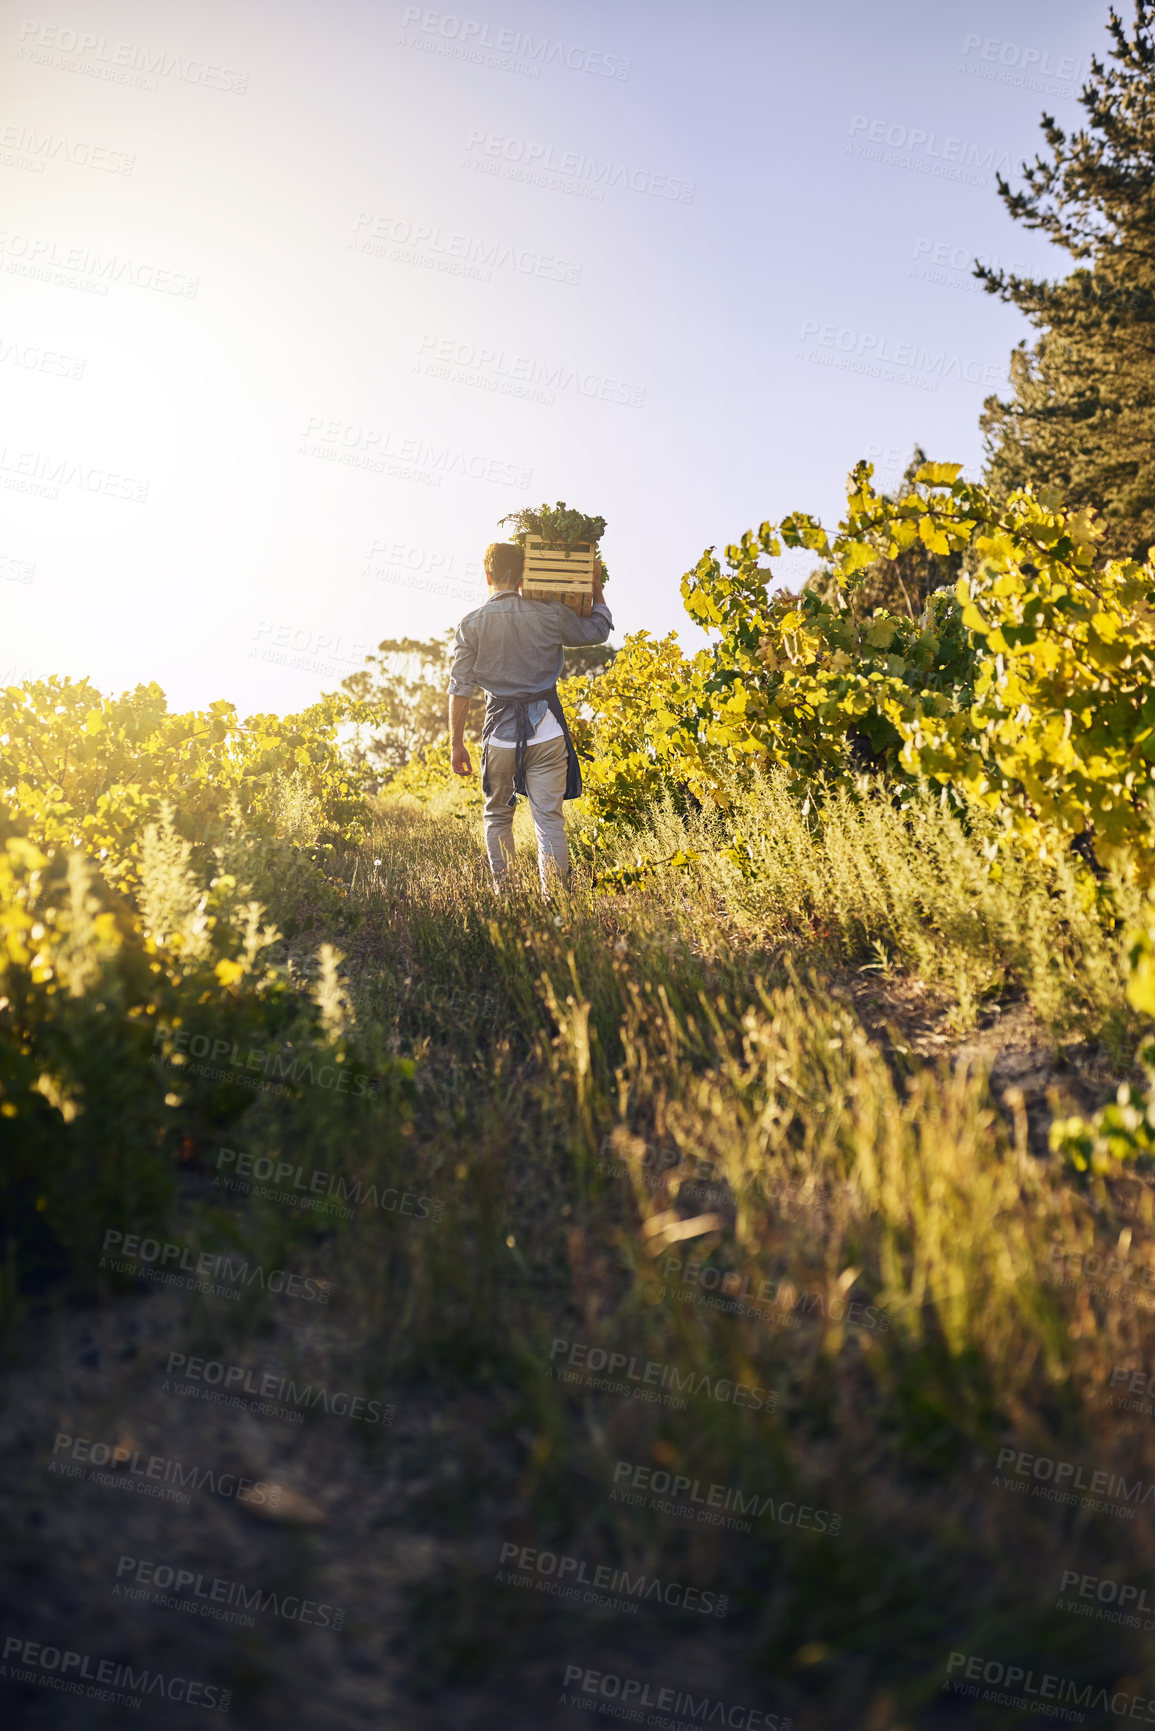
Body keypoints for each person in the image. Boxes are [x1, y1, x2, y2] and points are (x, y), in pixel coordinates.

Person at [447, 540, 613, 891]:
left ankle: (506, 897)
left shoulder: (471, 624)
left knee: (497, 817)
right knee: (549, 821)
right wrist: (594, 582)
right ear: (524, 577)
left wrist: (456, 743)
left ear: (487, 575)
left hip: (500, 737)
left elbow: (460, 688)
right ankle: (554, 903)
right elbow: (598, 630)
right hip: (548, 731)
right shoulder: (549, 613)